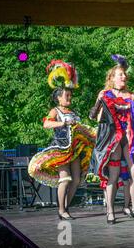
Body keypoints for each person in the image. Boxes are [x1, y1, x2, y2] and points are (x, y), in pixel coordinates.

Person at [29, 60, 96, 220]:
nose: (69, 97)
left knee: (77, 180)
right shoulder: (56, 110)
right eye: (67, 95)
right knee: (65, 179)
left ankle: (65, 207)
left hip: (74, 150)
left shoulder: (73, 112)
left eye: (70, 95)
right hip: (60, 149)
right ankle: (61, 210)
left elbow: (80, 129)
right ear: (58, 98)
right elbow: (46, 124)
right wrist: (64, 122)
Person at [88, 55, 134, 224]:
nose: (124, 77)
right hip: (113, 138)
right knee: (113, 176)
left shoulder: (131, 96)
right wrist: (98, 100)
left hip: (129, 138)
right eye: (120, 74)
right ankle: (110, 211)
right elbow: (92, 116)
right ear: (111, 78)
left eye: (124, 74)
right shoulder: (105, 94)